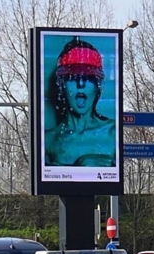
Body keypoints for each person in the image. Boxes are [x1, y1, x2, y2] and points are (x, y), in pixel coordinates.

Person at [44, 37, 116, 167]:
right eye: (72, 78)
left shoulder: (114, 132)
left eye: (88, 77)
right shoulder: (48, 140)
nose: (81, 84)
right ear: (62, 85)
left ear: (97, 86)